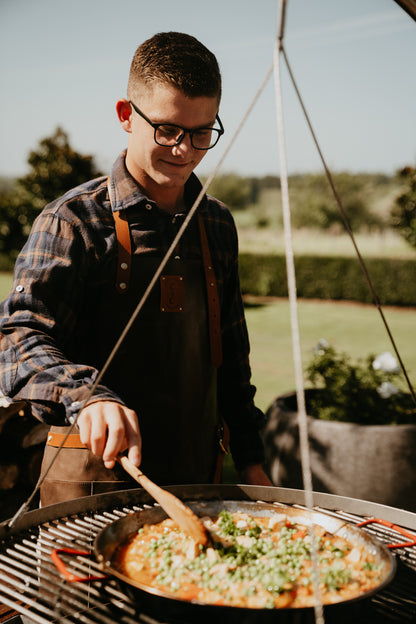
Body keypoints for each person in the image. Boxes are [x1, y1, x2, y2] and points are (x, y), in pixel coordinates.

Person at [0, 32, 271, 506]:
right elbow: (17, 337)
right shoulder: (73, 220)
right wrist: (88, 396)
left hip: (196, 479)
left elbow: (232, 358)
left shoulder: (217, 223)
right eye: (167, 129)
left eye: (202, 132)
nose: (185, 150)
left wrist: (251, 459)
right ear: (127, 115)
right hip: (88, 488)